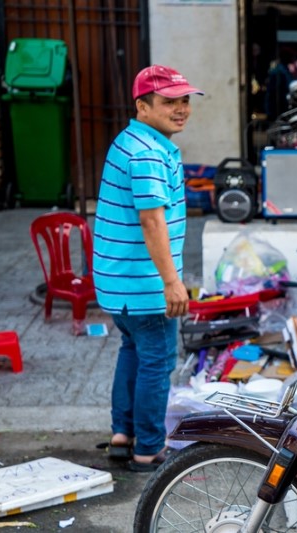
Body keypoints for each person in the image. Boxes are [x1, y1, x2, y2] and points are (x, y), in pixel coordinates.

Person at [92, 64, 203, 472]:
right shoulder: (146, 153)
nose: (181, 109)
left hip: (118, 283)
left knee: (132, 351)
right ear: (143, 105)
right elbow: (151, 220)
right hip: (144, 285)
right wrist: (172, 283)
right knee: (156, 361)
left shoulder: (130, 141)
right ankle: (148, 451)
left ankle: (123, 435)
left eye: (185, 100)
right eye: (169, 101)